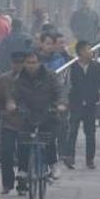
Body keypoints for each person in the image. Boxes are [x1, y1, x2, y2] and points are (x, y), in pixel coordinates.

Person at [11, 49, 67, 182]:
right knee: (23, 140)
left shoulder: (50, 76)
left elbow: (59, 91)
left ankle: (53, 165)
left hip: (47, 112)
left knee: (48, 139)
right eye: (28, 63)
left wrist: (60, 104)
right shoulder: (19, 79)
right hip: (28, 113)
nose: (31, 65)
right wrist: (15, 106)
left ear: (39, 63)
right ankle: (23, 169)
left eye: (34, 62)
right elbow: (15, 96)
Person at [63, 40, 100, 170]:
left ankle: (90, 159)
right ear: (81, 51)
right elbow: (67, 84)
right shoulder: (72, 66)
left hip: (91, 103)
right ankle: (70, 157)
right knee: (72, 131)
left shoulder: (96, 66)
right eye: (88, 49)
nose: (91, 52)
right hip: (75, 103)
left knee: (90, 132)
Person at [0, 50, 28, 195]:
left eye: (21, 63)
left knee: (24, 153)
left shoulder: (30, 79)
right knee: (6, 153)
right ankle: (7, 183)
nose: (18, 66)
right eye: (16, 63)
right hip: (8, 122)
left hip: (26, 121)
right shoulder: (4, 79)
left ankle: (23, 185)